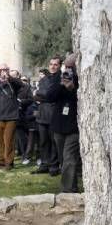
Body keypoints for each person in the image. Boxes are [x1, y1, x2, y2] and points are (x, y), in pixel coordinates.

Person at [46, 59, 80, 192]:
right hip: (59, 126)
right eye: (67, 66)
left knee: (69, 158)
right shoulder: (58, 79)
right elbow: (49, 97)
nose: (69, 69)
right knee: (63, 159)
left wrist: (73, 89)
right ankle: (73, 186)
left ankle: (67, 190)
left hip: (74, 127)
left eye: (72, 67)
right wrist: (61, 84)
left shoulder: (83, 79)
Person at [0, 64, 24, 170]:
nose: (3, 71)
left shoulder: (13, 82)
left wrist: (9, 78)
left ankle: (9, 162)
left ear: (8, 70)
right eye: (1, 70)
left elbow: (20, 84)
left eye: (5, 69)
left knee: (9, 141)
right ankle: (1, 160)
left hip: (11, 116)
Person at [32, 57, 62, 176]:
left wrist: (40, 94)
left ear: (59, 66)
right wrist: (41, 95)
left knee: (53, 142)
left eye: (55, 64)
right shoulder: (44, 79)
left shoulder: (61, 78)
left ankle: (53, 166)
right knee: (43, 141)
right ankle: (44, 164)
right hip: (43, 113)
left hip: (54, 114)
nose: (53, 66)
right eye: (51, 64)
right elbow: (38, 94)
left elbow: (50, 95)